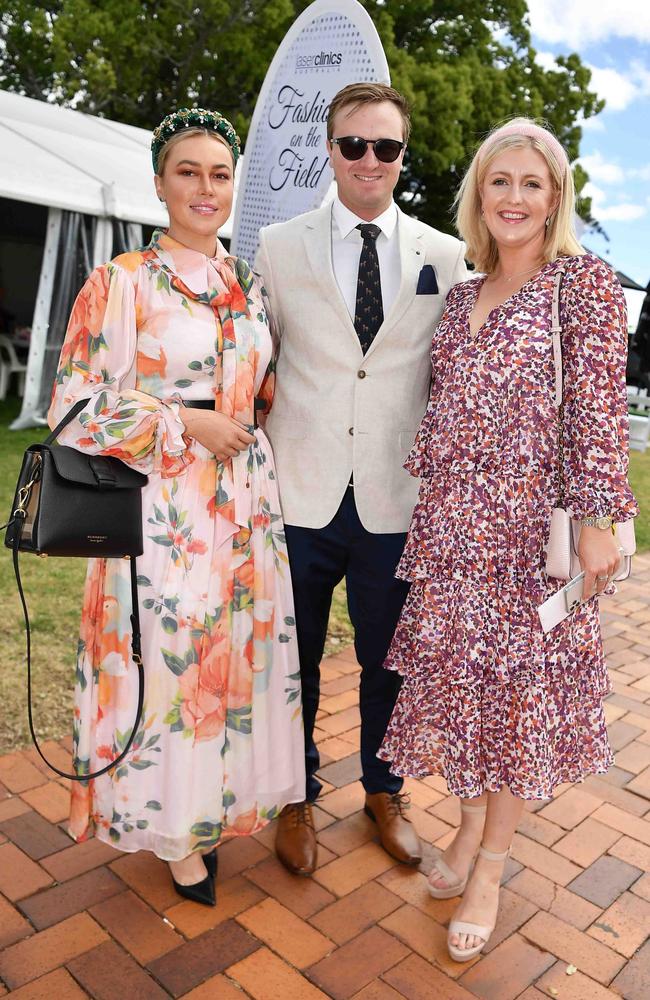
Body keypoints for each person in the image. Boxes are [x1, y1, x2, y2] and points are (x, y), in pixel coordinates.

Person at [378, 118, 639, 960]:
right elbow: (441, 409)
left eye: (532, 183)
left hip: (535, 541)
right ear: (478, 195)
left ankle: (491, 864)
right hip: (456, 533)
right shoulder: (460, 296)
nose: (515, 198)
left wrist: (600, 518)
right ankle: (460, 834)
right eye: (500, 182)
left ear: (555, 196)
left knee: (516, 707)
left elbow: (597, 414)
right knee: (466, 700)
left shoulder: (584, 286)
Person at [48, 108, 305, 907]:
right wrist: (182, 421)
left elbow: (264, 390)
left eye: (219, 173)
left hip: (246, 512)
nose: (205, 187)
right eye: (187, 171)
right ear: (159, 181)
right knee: (171, 670)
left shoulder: (248, 285)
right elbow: (72, 407)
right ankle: (173, 835)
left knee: (234, 666)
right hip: (166, 516)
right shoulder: (122, 281)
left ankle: (216, 807)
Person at [255, 82, 467, 875]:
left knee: (387, 661)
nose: (368, 160)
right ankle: (293, 795)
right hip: (299, 490)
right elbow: (254, 362)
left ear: (403, 155)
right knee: (293, 658)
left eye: (385, 147)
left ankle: (384, 790)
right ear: (330, 148)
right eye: (353, 145)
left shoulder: (446, 257)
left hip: (394, 495)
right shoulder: (279, 247)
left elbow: (453, 377)